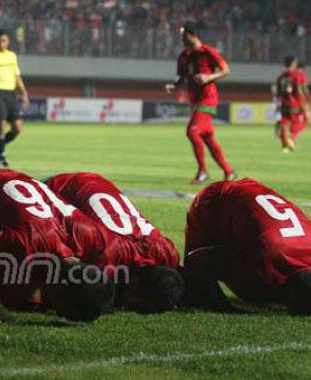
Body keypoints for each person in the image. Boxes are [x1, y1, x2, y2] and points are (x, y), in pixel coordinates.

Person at [0, 169, 114, 322]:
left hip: (14, 183)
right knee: (2, 280)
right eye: (64, 311)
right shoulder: (27, 245)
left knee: (20, 290)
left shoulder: (92, 236)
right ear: (62, 286)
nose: (58, 313)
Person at [45, 172, 184, 312]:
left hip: (100, 184)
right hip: (60, 186)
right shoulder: (108, 255)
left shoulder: (167, 251)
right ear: (134, 284)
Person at [183, 178, 311, 314]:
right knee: (194, 281)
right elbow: (198, 261)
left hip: (254, 190)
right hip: (216, 198)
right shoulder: (262, 273)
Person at [165, 22, 235, 184]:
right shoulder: (183, 56)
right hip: (195, 100)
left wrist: (209, 77)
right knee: (208, 138)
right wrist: (174, 85)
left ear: (191, 34)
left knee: (192, 132)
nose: (181, 39)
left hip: (208, 98)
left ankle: (202, 171)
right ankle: (228, 171)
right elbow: (180, 77)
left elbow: (226, 70)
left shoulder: (208, 52)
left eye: (183, 35)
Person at [0, 29, 29, 167]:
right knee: (1, 124)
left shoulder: (12, 56)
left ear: (8, 41)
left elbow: (17, 76)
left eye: (4, 41)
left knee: (17, 128)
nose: (1, 43)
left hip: (11, 93)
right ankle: (1, 155)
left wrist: (24, 93)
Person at [277, 56, 307, 152]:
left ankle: (285, 144)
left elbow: (278, 91)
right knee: (301, 122)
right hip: (294, 104)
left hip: (283, 103)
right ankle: (292, 139)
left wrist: (278, 103)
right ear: (293, 64)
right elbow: (299, 91)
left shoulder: (281, 76)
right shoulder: (296, 76)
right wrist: (303, 103)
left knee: (284, 121)